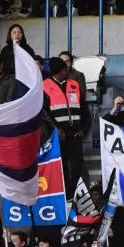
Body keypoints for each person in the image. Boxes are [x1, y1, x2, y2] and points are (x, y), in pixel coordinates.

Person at [43, 57, 89, 196]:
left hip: (75, 133)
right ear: (59, 72)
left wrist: (83, 128)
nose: (67, 71)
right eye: (64, 69)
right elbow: (44, 112)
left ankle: (76, 194)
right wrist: (56, 128)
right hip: (58, 135)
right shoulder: (45, 86)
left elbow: (84, 109)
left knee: (77, 165)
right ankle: (66, 194)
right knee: (61, 167)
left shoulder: (74, 84)